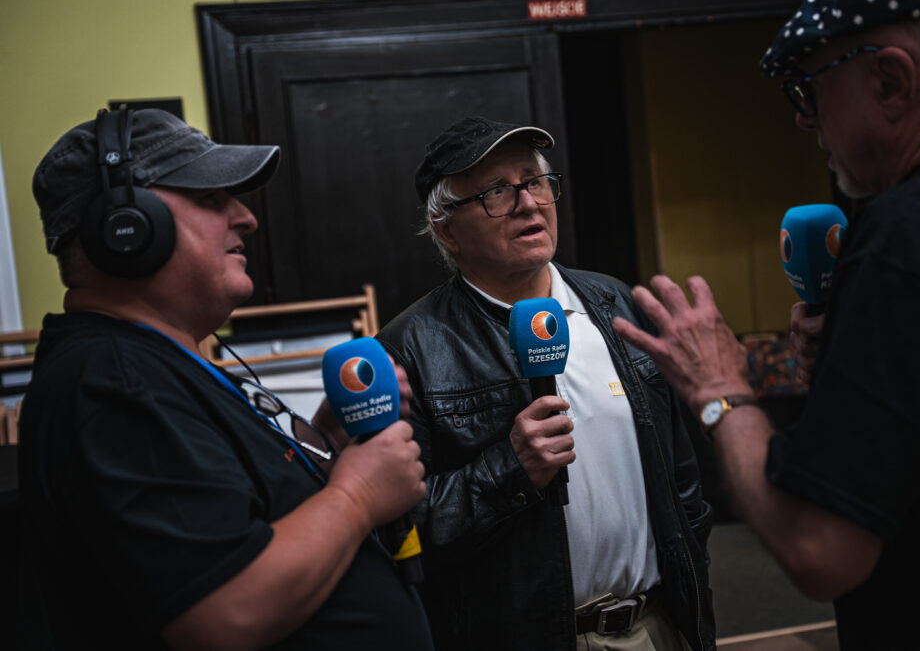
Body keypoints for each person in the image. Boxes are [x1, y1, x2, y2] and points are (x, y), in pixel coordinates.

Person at [613, 0, 920, 648]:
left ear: (889, 79)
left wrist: (719, 389)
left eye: (812, 87)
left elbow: (821, 548)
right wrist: (868, 361)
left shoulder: (914, 229)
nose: (805, 117)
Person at [18, 108, 432, 649]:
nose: (247, 218)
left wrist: (328, 441)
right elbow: (225, 613)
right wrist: (357, 497)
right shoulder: (113, 383)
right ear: (127, 227)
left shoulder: (152, 364)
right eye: (212, 199)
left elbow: (253, 512)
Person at [375, 116, 714, 651]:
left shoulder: (617, 305)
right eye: (495, 192)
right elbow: (401, 535)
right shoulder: (408, 350)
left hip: (658, 627)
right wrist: (510, 470)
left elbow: (682, 482)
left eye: (534, 182)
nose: (528, 204)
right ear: (446, 230)